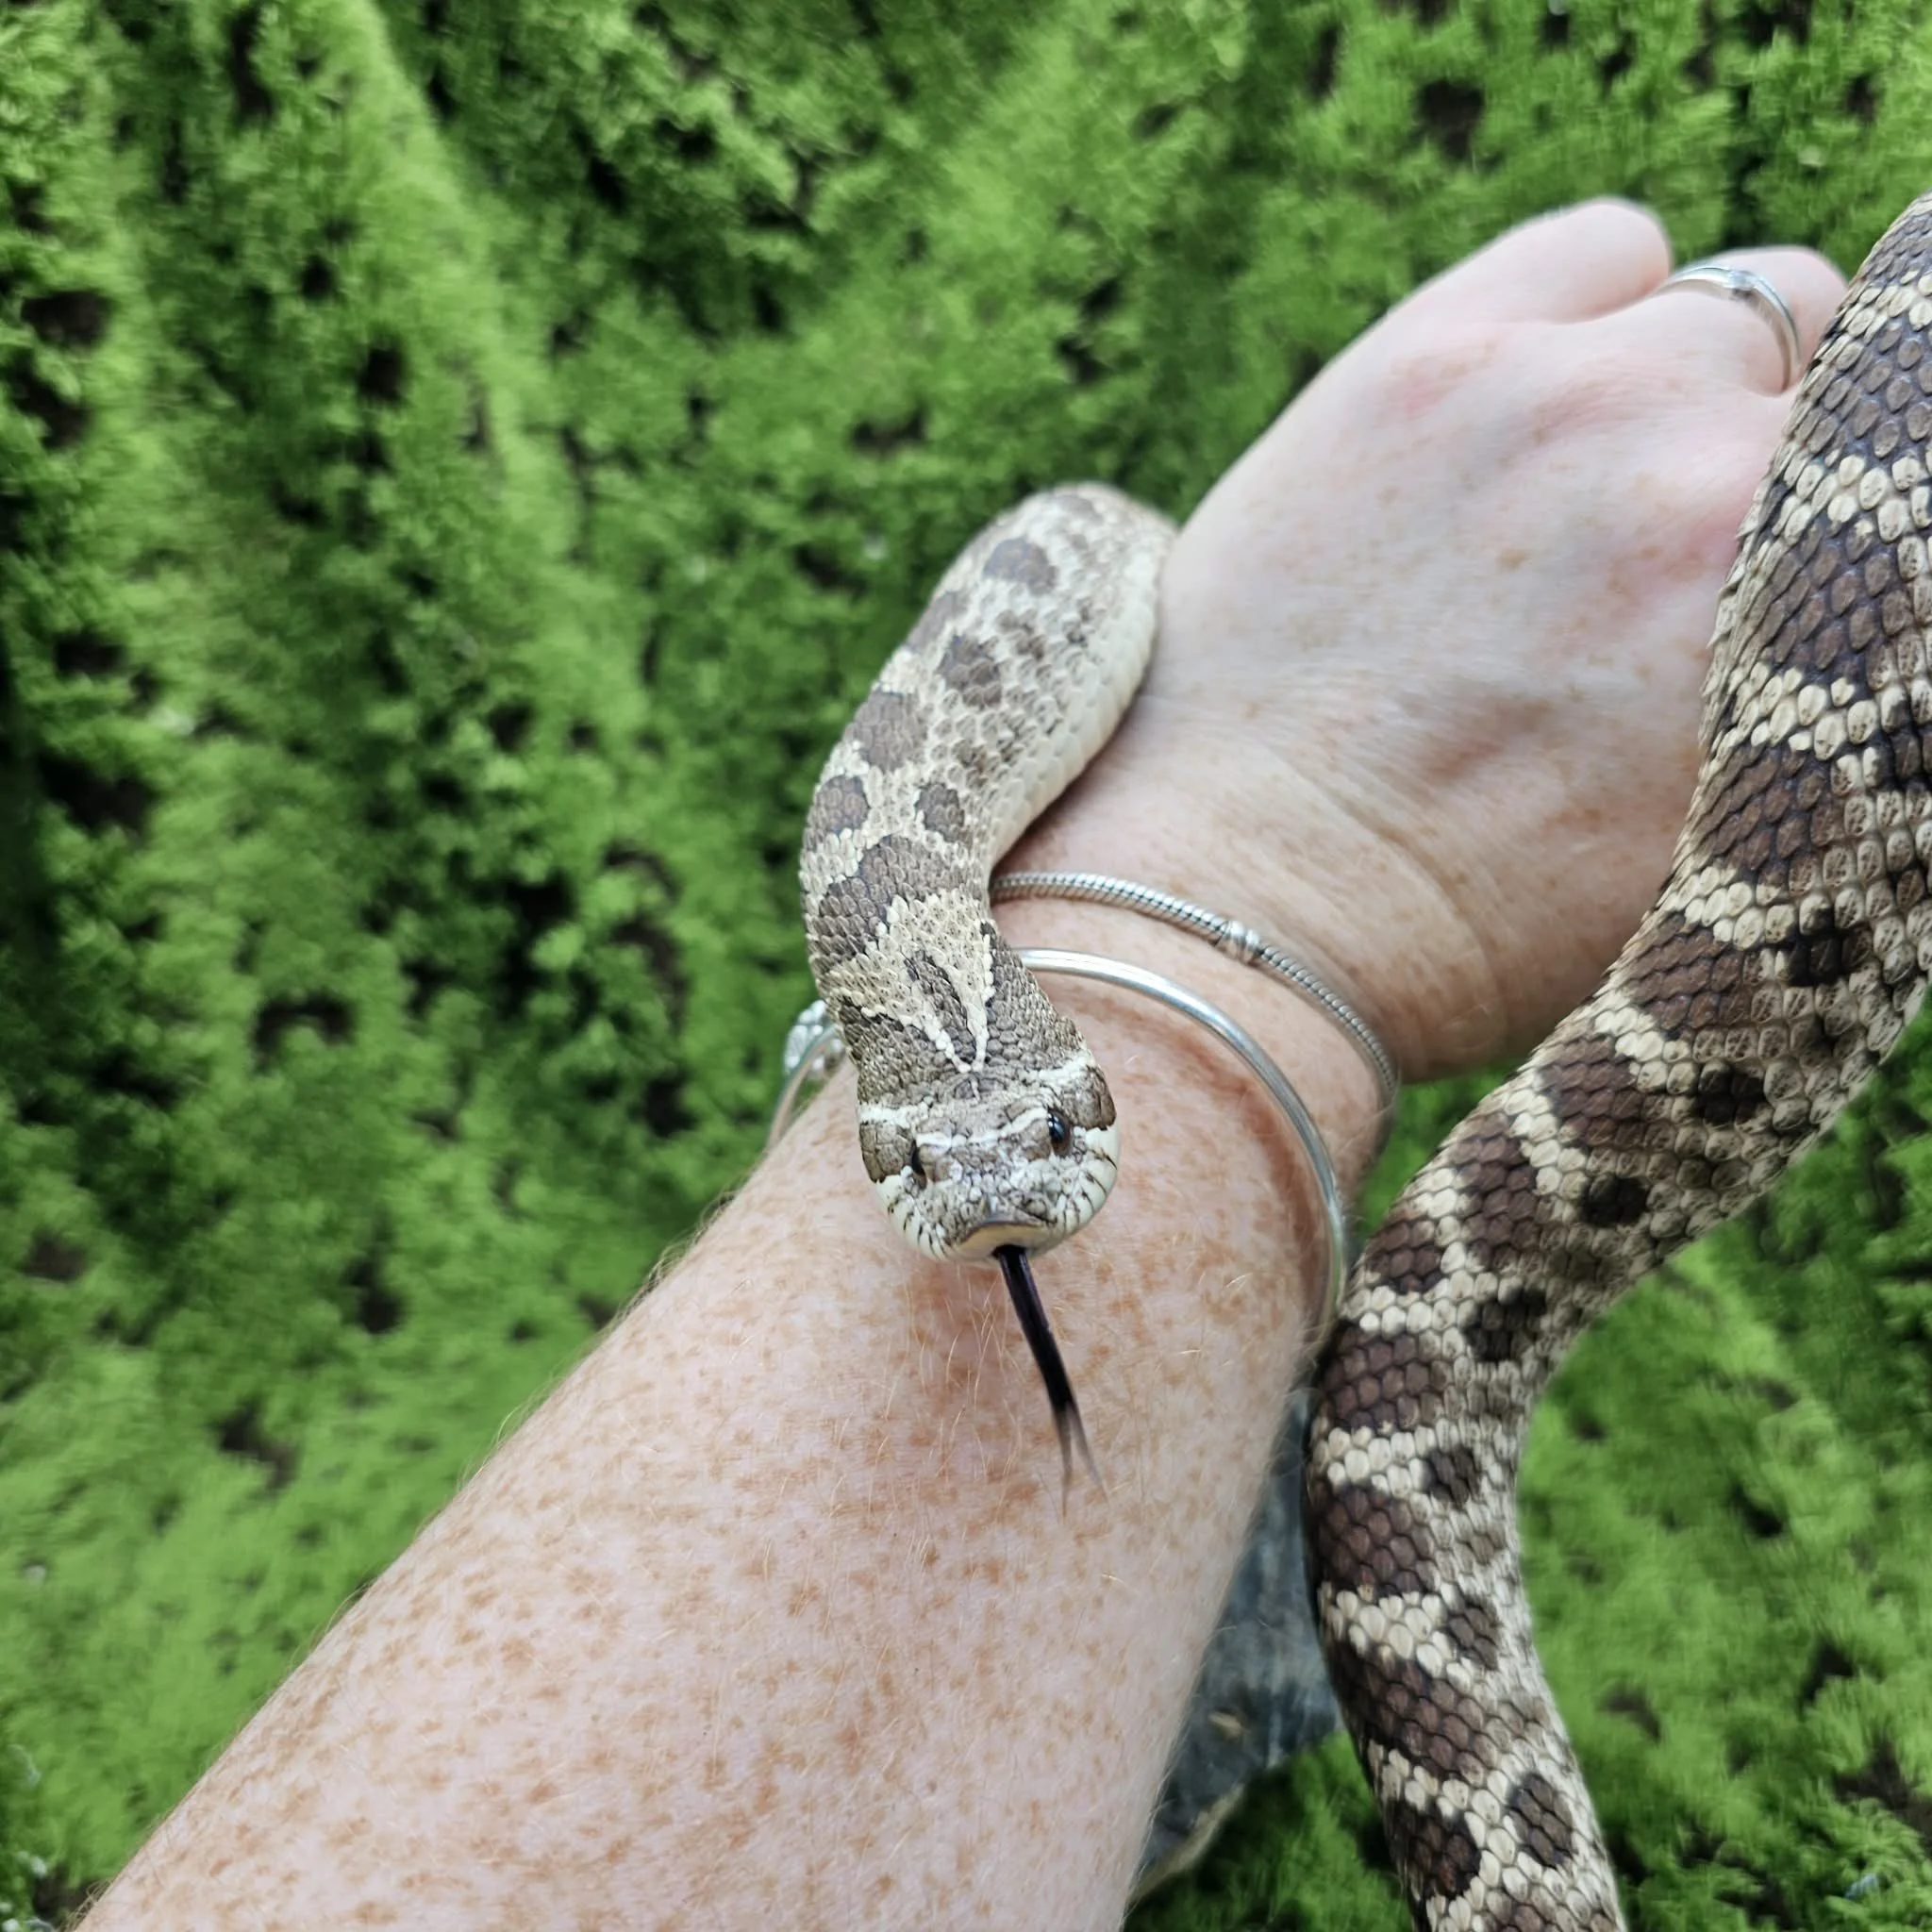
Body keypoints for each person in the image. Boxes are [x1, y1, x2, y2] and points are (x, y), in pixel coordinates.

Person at [79, 200, 1848, 1931]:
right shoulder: (880, 906)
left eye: (1062, 1130)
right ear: (879, 1105)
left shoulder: (891, 871)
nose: (1008, 1197)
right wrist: (1277, 868)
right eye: (927, 1163)